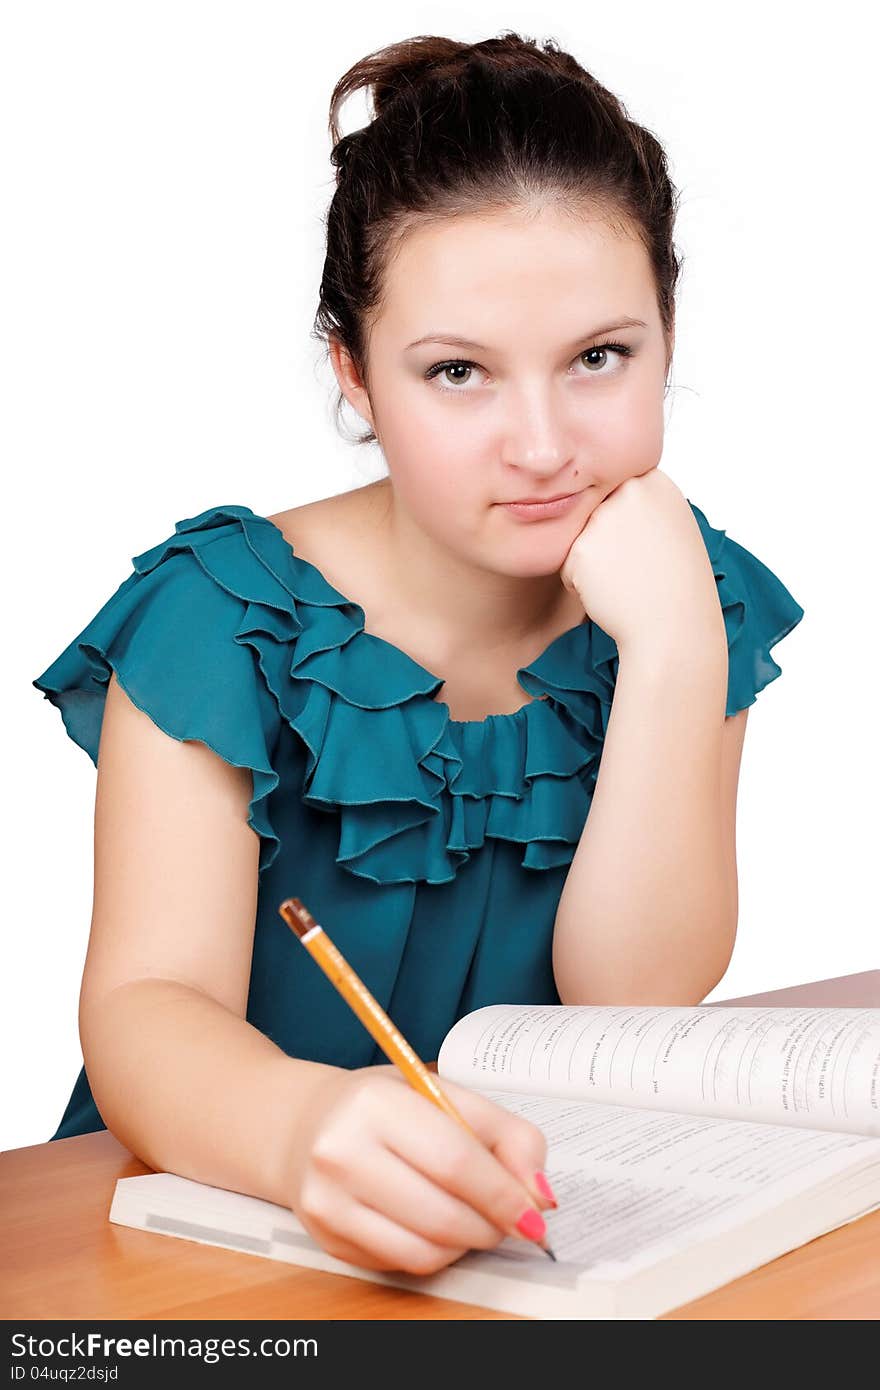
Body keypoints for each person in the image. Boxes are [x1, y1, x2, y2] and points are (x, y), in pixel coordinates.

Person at [32, 32, 805, 1277]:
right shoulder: (225, 612)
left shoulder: (684, 590)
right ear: (354, 373)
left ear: (668, 332)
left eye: (600, 358)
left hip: (528, 1233)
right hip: (222, 1222)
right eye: (458, 373)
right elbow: (142, 1009)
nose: (544, 446)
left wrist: (667, 651)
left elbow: (633, 1001)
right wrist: (301, 1128)